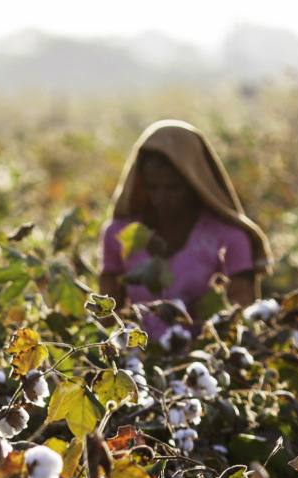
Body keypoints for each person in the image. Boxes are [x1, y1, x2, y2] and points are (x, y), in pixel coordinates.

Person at [97, 121, 268, 345]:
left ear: (195, 182)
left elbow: (242, 322)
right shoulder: (118, 234)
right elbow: (108, 320)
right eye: (151, 186)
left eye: (172, 187)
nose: (161, 197)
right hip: (137, 363)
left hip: (206, 365)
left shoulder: (228, 238)